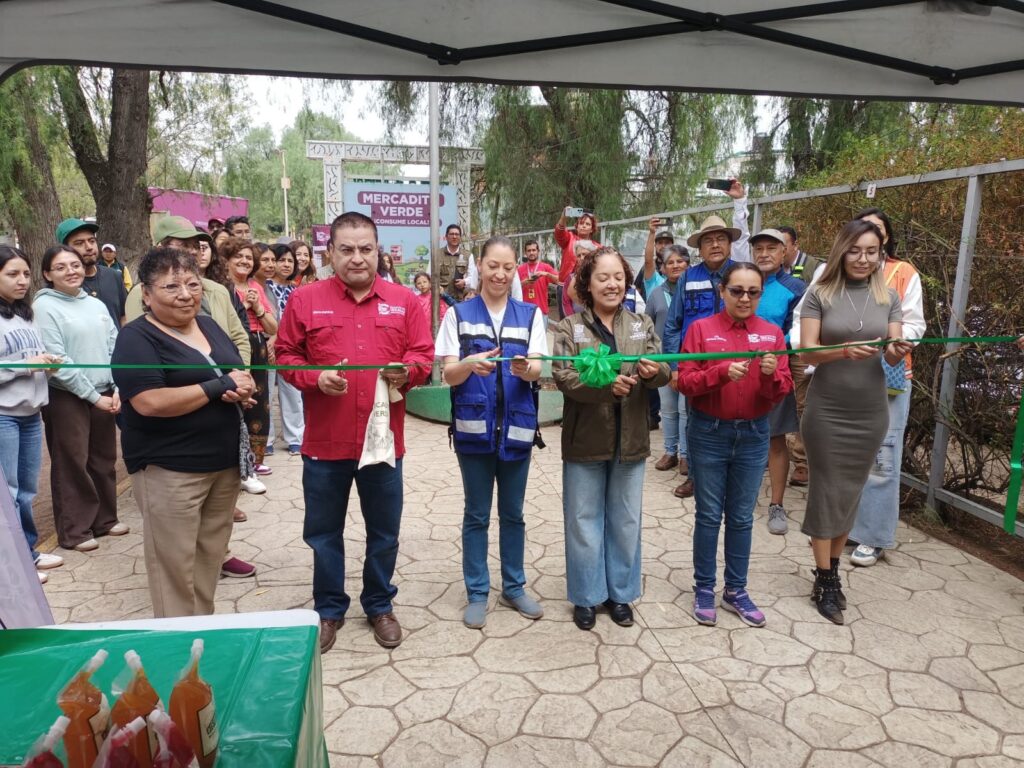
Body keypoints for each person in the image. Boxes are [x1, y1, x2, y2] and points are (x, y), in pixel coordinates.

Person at [275, 211, 434, 652]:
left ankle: (379, 604)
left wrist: (408, 372)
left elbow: (423, 354)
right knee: (323, 532)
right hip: (325, 443)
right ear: (330, 253)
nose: (357, 258)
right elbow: (285, 356)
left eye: (366, 249)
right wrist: (315, 377)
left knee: (384, 532)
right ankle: (329, 609)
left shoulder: (404, 300)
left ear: (378, 251)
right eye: (347, 249)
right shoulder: (305, 299)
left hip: (382, 443)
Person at [112, 246, 256, 618]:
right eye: (171, 286)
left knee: (209, 558)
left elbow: (231, 374)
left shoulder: (209, 325)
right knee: (174, 568)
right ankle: (176, 646)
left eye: (192, 284)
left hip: (223, 466)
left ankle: (200, 635)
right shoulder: (136, 338)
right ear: (146, 295)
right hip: (170, 470)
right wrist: (217, 387)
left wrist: (241, 390)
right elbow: (149, 402)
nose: (185, 294)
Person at [799, 219, 913, 624]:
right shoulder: (820, 293)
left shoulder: (889, 297)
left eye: (871, 251)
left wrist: (898, 349)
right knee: (826, 491)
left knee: (850, 492)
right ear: (841, 251)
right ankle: (825, 578)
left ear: (881, 254)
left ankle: (831, 570)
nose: (863, 258)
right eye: (855, 250)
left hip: (870, 410)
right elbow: (807, 352)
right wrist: (842, 351)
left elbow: (892, 353)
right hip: (827, 408)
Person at [552, 246, 670, 631]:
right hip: (585, 440)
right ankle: (587, 596)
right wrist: (605, 388)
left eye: (618, 277)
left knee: (625, 521)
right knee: (583, 521)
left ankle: (620, 594)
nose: (612, 284)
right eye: (602, 277)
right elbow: (564, 377)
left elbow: (664, 370)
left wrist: (653, 373)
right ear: (587, 283)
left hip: (631, 440)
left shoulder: (641, 324)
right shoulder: (570, 328)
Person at [437, 236, 547, 629]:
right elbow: (449, 374)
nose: (500, 274)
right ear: (479, 267)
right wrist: (468, 364)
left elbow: (538, 368)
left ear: (515, 269)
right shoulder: (458, 315)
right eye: (493, 266)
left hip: (517, 429)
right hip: (474, 433)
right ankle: (478, 592)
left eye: (507, 267)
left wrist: (525, 369)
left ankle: (513, 587)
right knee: (477, 514)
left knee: (513, 514)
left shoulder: (531, 315)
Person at [679, 262, 792, 627]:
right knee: (709, 515)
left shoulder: (772, 334)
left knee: (742, 517)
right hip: (708, 432)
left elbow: (781, 391)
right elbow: (685, 382)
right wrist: (720, 373)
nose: (745, 298)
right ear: (722, 291)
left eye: (753, 292)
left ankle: (736, 590)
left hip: (754, 434)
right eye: (737, 291)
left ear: (761, 294)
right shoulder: (701, 330)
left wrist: (771, 375)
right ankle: (704, 587)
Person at [661, 180, 752, 498]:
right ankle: (696, 478)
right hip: (696, 365)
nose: (715, 245)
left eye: (720, 239)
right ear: (699, 248)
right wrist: (675, 367)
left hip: (735, 363)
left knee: (735, 421)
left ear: (729, 244)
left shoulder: (740, 274)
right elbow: (673, 325)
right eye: (708, 241)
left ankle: (731, 479)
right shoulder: (688, 277)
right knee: (695, 421)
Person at [847, 207, 926, 567]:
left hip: (888, 377)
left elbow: (915, 325)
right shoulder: (840, 274)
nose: (869, 237)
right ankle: (848, 526)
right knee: (849, 453)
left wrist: (887, 340)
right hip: (846, 376)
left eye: (876, 231)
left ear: (886, 238)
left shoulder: (902, 272)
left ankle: (874, 536)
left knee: (883, 454)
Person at [33, 245, 126, 552]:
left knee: (103, 458)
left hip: (104, 390)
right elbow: (57, 360)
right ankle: (75, 530)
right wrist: (91, 395)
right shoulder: (44, 307)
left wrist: (116, 386)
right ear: (47, 274)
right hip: (67, 395)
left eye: (74, 265)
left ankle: (105, 520)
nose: (70, 271)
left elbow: (114, 344)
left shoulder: (95, 304)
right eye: (60, 267)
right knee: (72, 461)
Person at [0, 246, 64, 583]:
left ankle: (28, 553)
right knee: (8, 492)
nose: (22, 280)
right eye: (12, 274)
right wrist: (26, 365)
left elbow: (34, 359)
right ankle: (14, 566)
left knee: (26, 490)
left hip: (31, 412)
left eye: (26, 273)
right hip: (4, 415)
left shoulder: (26, 314)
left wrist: (48, 365)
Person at [749, 229, 806, 535]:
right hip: (740, 370)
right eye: (758, 248)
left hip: (775, 368)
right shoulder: (744, 282)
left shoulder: (795, 288)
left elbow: (796, 330)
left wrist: (769, 347)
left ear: (785, 252)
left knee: (775, 438)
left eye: (771, 248)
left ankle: (777, 504)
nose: (764, 254)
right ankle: (742, 497)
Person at [222, 236, 277, 487]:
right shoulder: (222, 288)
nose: (245, 261)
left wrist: (258, 308)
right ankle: (235, 461)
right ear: (226, 260)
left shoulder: (256, 287)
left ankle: (255, 459)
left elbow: (273, 327)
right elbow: (224, 323)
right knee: (237, 399)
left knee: (260, 402)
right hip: (233, 346)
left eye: (248, 257)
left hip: (258, 345)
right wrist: (244, 305)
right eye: (238, 257)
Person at [778, 226, 816, 488]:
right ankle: (771, 453)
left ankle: (802, 462)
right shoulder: (766, 275)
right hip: (776, 346)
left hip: (800, 347)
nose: (778, 250)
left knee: (804, 403)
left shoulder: (815, 268)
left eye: (782, 244)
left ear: (794, 246)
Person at [645, 245, 689, 473]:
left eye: (680, 261)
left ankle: (686, 456)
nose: (675, 266)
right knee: (669, 409)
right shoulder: (656, 294)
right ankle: (670, 452)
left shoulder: (694, 290)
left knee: (685, 409)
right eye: (670, 262)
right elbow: (648, 326)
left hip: (690, 360)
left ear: (688, 264)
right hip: (663, 361)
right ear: (663, 268)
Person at [266, 243, 305, 456]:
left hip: (291, 347)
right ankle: (267, 439)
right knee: (266, 393)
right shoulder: (264, 287)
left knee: (292, 392)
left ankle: (295, 438)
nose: (286, 264)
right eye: (282, 260)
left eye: (290, 261)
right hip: (269, 346)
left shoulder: (296, 290)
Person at [56, 218, 128, 327]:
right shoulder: (63, 285)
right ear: (65, 249)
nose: (89, 247)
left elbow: (124, 317)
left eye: (92, 241)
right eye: (79, 243)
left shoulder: (114, 276)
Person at [554, 207, 600, 300]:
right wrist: (564, 217)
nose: (584, 226)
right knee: (566, 310)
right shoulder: (568, 239)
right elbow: (559, 232)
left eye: (587, 224)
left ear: (592, 229)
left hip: (586, 288)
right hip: (565, 286)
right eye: (581, 223)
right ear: (577, 226)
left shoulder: (598, 248)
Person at [517, 239, 558, 327]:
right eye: (529, 250)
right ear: (525, 253)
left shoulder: (545, 267)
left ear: (538, 251)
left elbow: (559, 280)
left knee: (541, 336)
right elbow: (513, 288)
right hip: (525, 311)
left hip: (541, 311)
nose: (531, 253)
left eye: (534, 250)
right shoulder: (520, 269)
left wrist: (547, 274)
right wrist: (528, 281)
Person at [434, 224, 471, 303]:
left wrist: (465, 282)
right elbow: (430, 276)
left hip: (461, 299)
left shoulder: (468, 255)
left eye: (457, 234)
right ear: (446, 237)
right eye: (451, 234)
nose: (454, 237)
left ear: (460, 237)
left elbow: (473, 277)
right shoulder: (436, 254)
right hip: (441, 299)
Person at [641, 218, 677, 297]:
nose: (663, 246)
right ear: (655, 246)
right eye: (660, 243)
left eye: (667, 243)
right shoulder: (653, 277)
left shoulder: (679, 271)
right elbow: (648, 261)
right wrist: (652, 233)